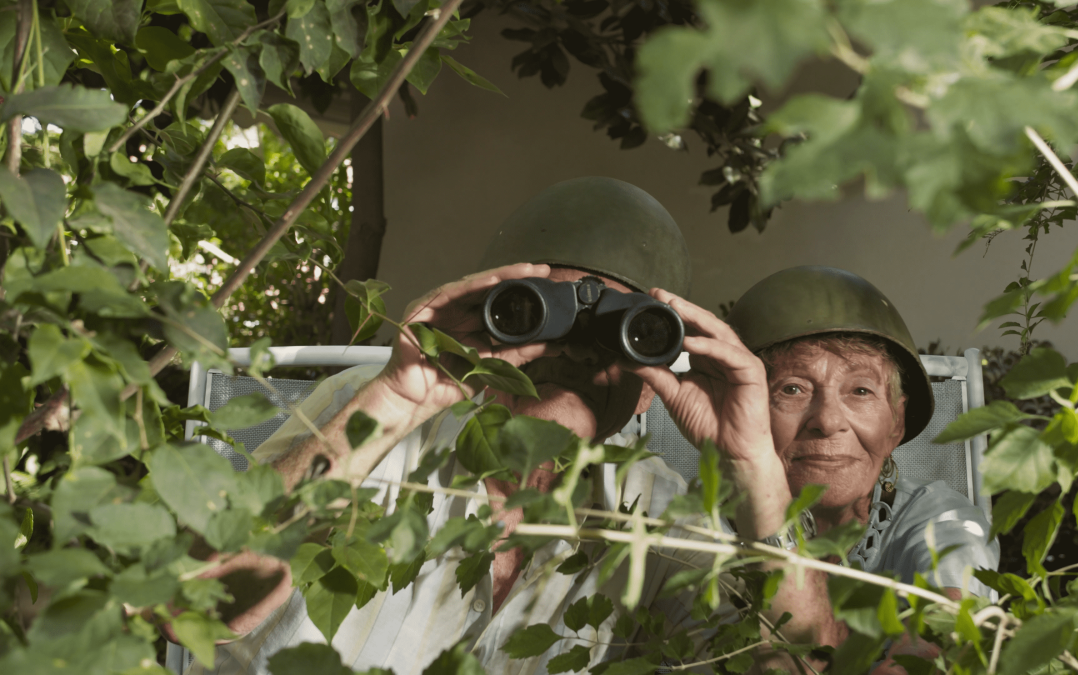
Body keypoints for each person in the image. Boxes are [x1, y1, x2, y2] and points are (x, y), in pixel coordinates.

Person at [181, 177, 725, 674]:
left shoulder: (656, 510)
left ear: (650, 385)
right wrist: (397, 400)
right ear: (493, 326)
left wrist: (753, 467)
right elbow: (191, 605)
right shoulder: (368, 412)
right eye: (544, 318)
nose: (577, 352)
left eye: (622, 332)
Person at [632, 265, 999, 673]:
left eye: (860, 390)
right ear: (743, 405)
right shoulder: (689, 530)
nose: (827, 420)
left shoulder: (942, 522)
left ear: (896, 423)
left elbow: (942, 639)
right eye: (793, 389)